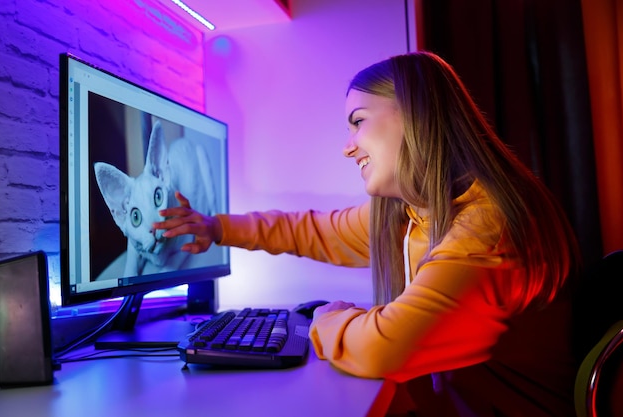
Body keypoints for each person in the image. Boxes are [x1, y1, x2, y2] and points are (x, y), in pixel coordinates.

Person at [154, 51, 581, 416]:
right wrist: (216, 228)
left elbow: (384, 348)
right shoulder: (417, 213)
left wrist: (324, 317)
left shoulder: (488, 225)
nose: (347, 146)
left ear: (417, 112)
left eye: (357, 121)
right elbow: (312, 230)